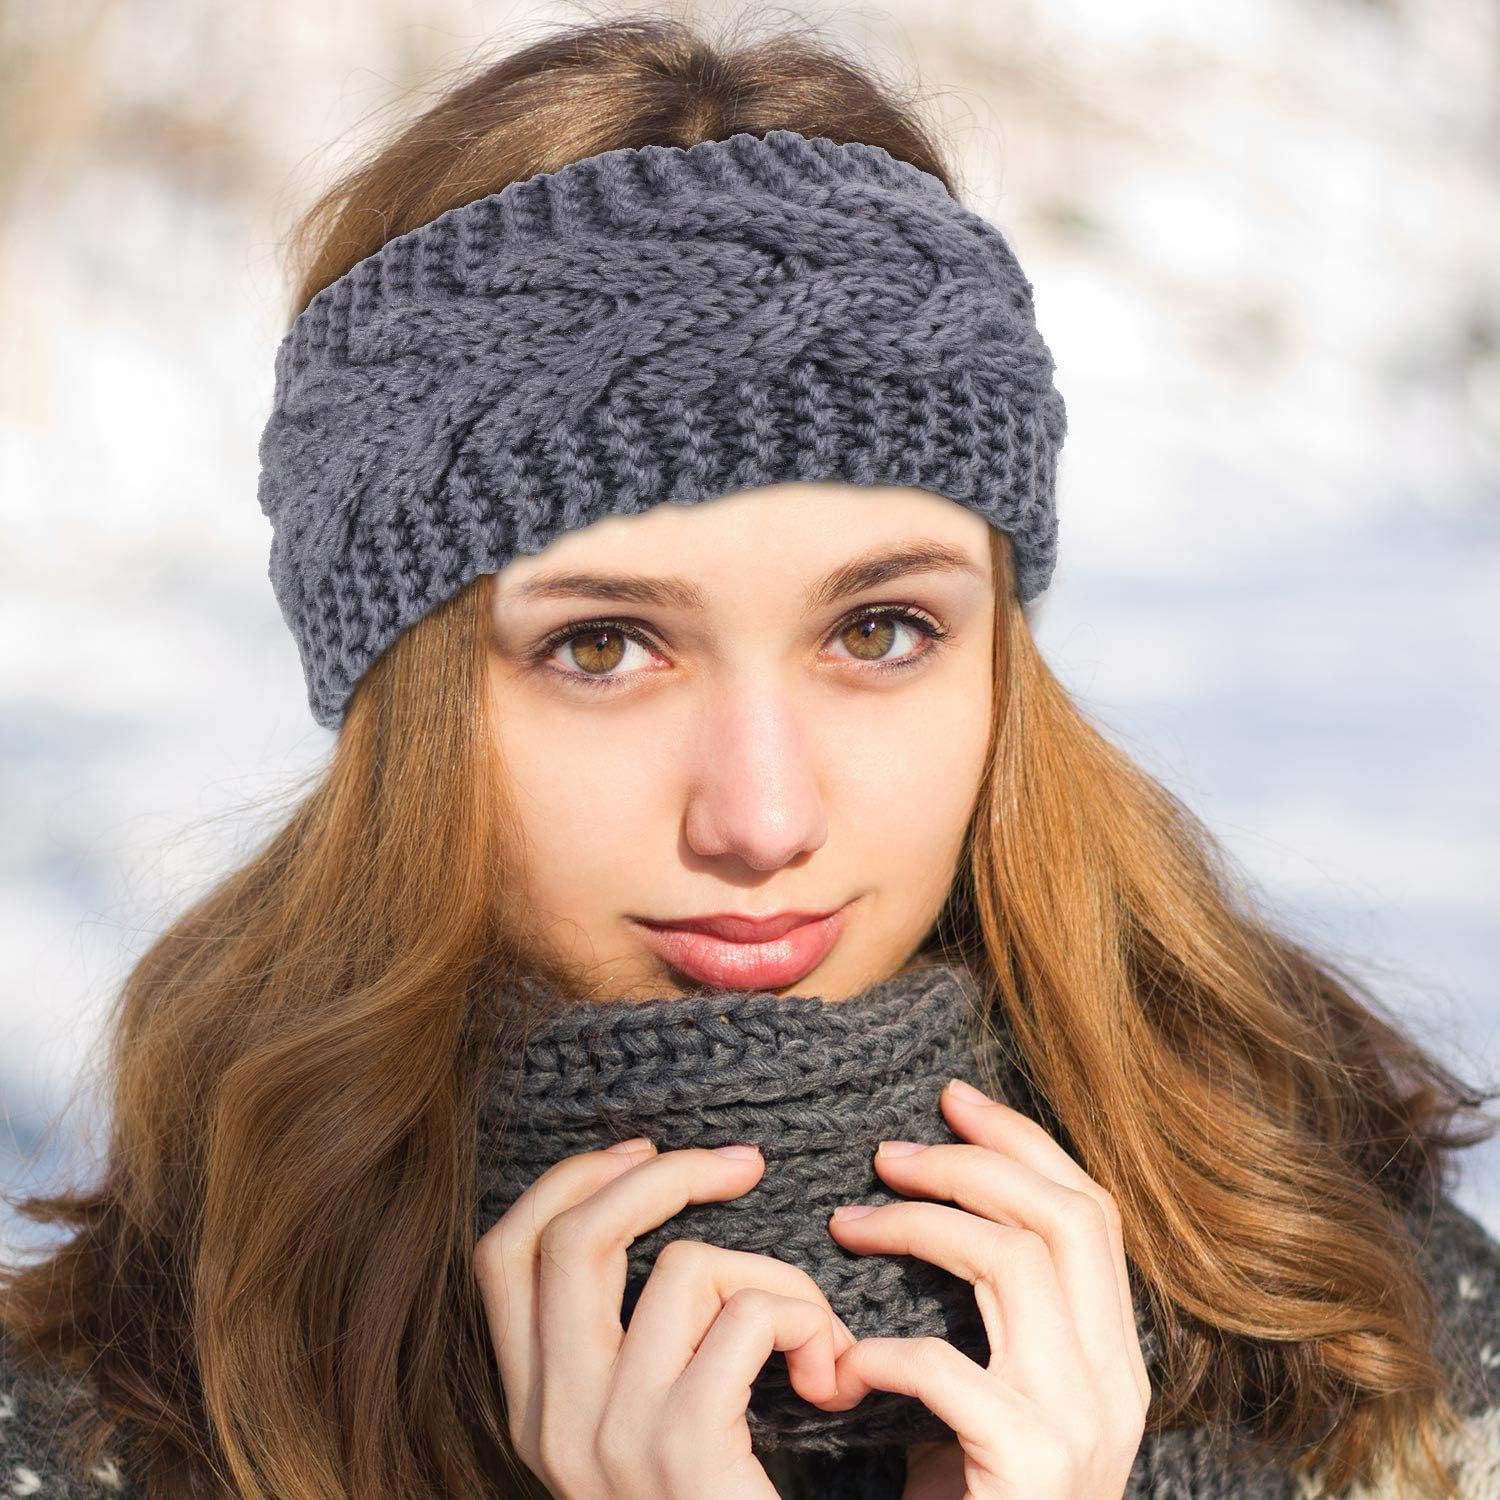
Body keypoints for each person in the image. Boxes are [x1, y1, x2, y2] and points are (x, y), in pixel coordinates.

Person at [4, 14, 1500, 1500]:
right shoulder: (111, 1421)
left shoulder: (1349, 1309)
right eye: (603, 648)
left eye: (882, 631)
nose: (764, 817)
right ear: (408, 708)